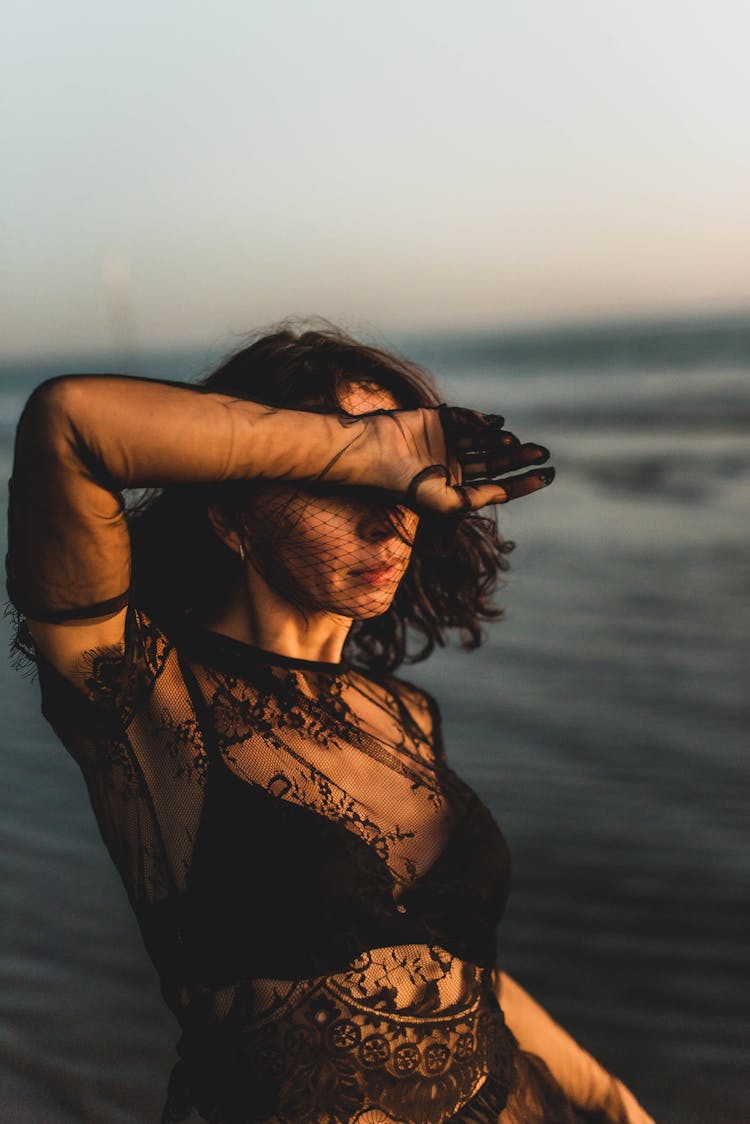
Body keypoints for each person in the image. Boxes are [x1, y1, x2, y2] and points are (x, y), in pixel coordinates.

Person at [6, 325, 654, 1123]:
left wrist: (611, 1097)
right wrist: (354, 445)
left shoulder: (404, 716)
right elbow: (69, 426)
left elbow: (460, 971)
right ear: (231, 518)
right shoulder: (146, 698)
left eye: (405, 481)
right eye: (342, 480)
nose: (389, 521)